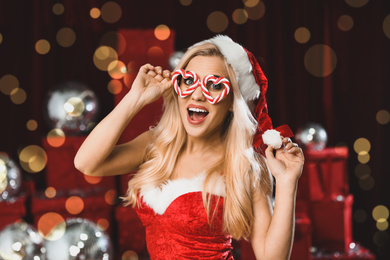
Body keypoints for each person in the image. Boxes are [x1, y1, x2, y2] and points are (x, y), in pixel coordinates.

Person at [74, 35, 304, 260]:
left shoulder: (246, 165)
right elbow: (86, 163)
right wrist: (135, 98)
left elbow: (271, 256)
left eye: (214, 86)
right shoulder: (156, 145)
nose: (197, 94)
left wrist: (286, 182)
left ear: (233, 103)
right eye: (188, 80)